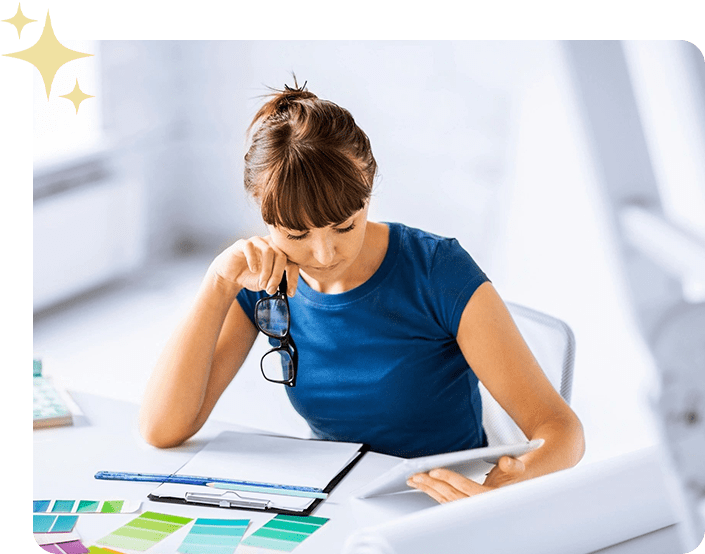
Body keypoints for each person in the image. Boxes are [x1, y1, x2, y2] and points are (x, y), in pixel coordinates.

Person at [139, 78, 585, 504]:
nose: (325, 252)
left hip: (441, 498)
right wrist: (217, 283)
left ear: (369, 190)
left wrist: (508, 484)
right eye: (296, 234)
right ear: (263, 212)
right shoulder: (259, 281)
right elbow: (163, 428)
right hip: (336, 497)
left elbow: (561, 430)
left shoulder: (437, 269)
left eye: (344, 225)